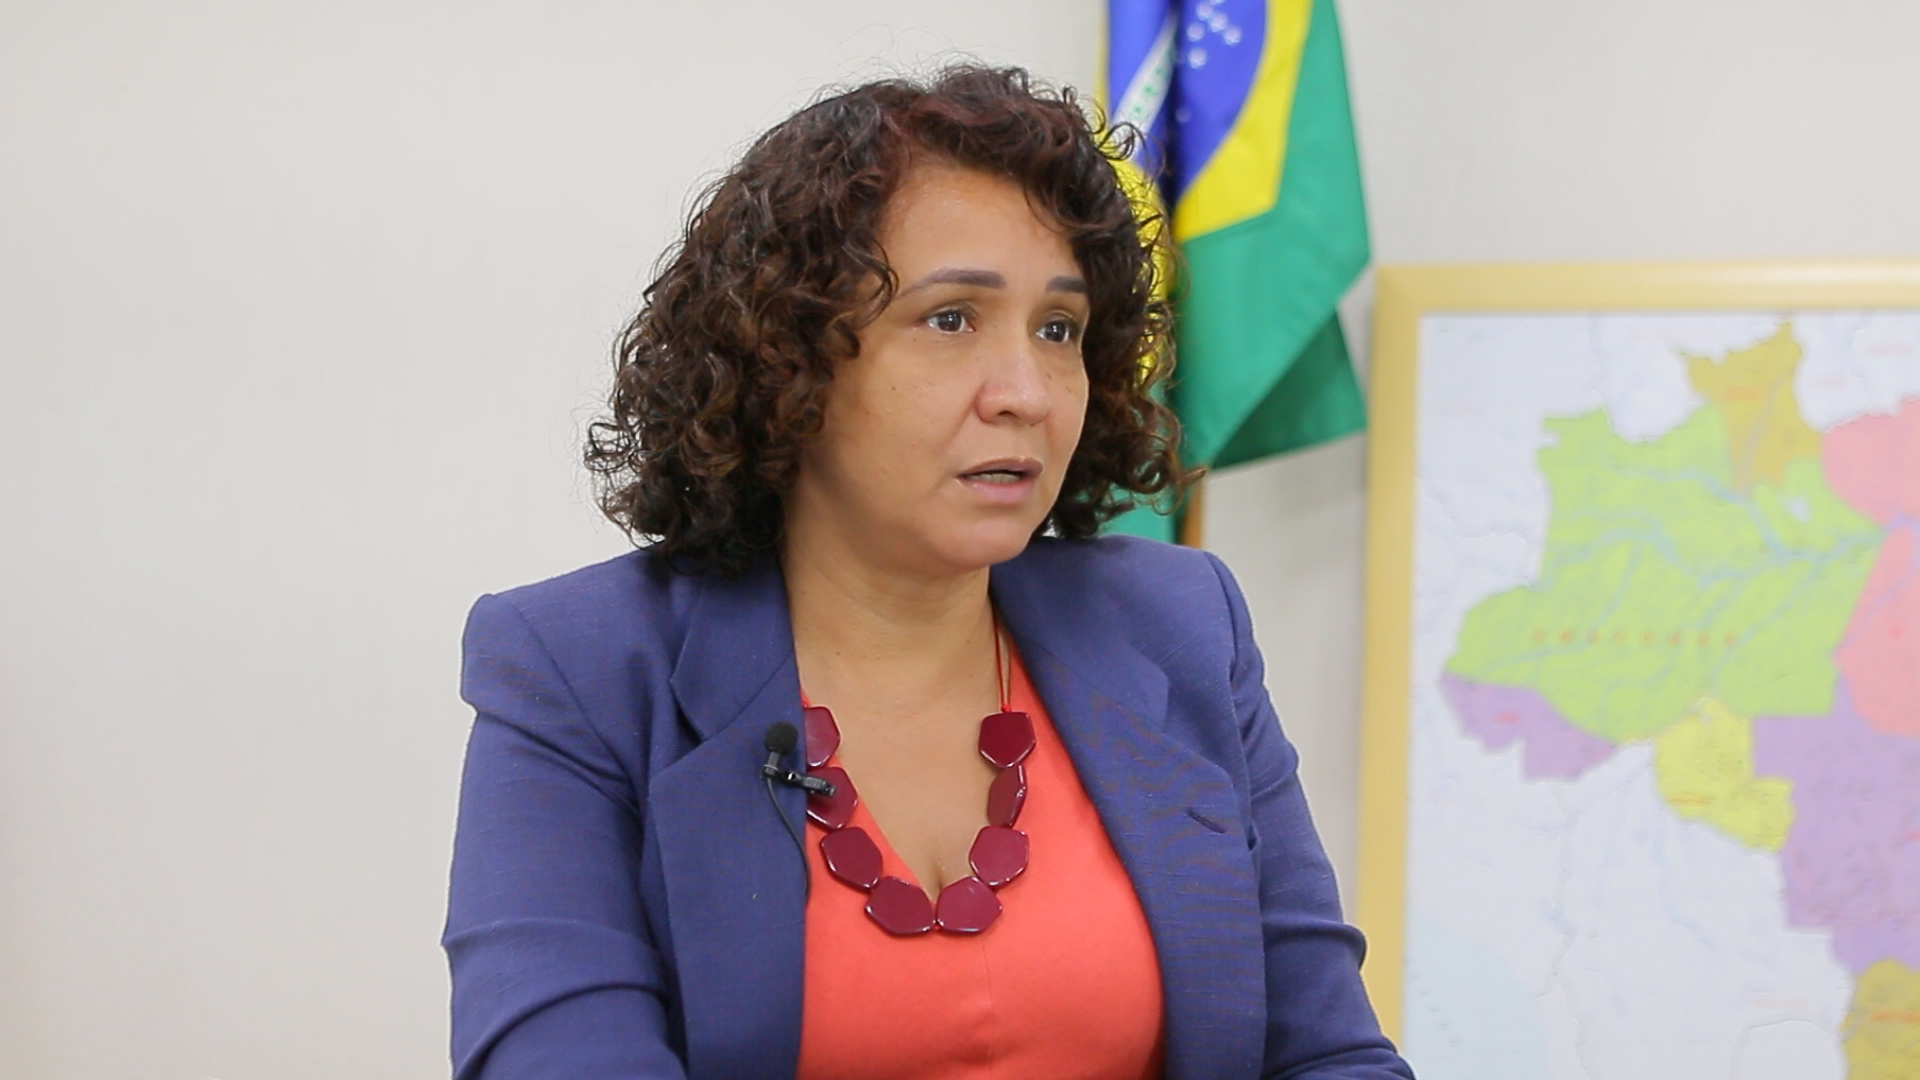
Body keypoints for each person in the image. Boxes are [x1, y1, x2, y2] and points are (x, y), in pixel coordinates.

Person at [443, 65, 1414, 1080]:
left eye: (1059, 330)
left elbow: (1329, 1056)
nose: (1026, 392)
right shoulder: (581, 671)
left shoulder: (1180, 624)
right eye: (952, 319)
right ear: (788, 359)